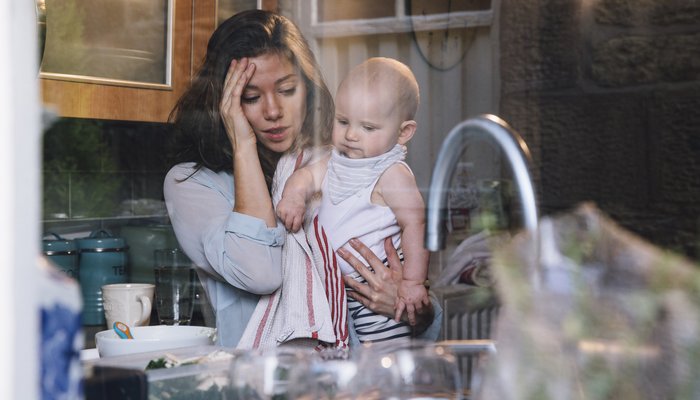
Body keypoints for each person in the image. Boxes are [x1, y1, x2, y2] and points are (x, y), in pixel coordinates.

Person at [163, 10, 439, 348]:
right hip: (261, 384)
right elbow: (261, 272)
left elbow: (425, 313)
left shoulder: (343, 164)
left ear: (307, 90)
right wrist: (243, 143)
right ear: (223, 102)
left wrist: (410, 306)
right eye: (250, 97)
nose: (273, 111)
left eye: (287, 90)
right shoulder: (192, 184)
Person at [276, 57, 430, 343]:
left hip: (377, 287)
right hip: (339, 290)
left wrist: (412, 282)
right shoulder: (336, 161)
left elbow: (416, 224)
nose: (350, 135)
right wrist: (294, 196)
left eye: (368, 128)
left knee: (385, 354)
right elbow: (307, 177)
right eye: (343, 121)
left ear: (403, 133)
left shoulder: (391, 173)